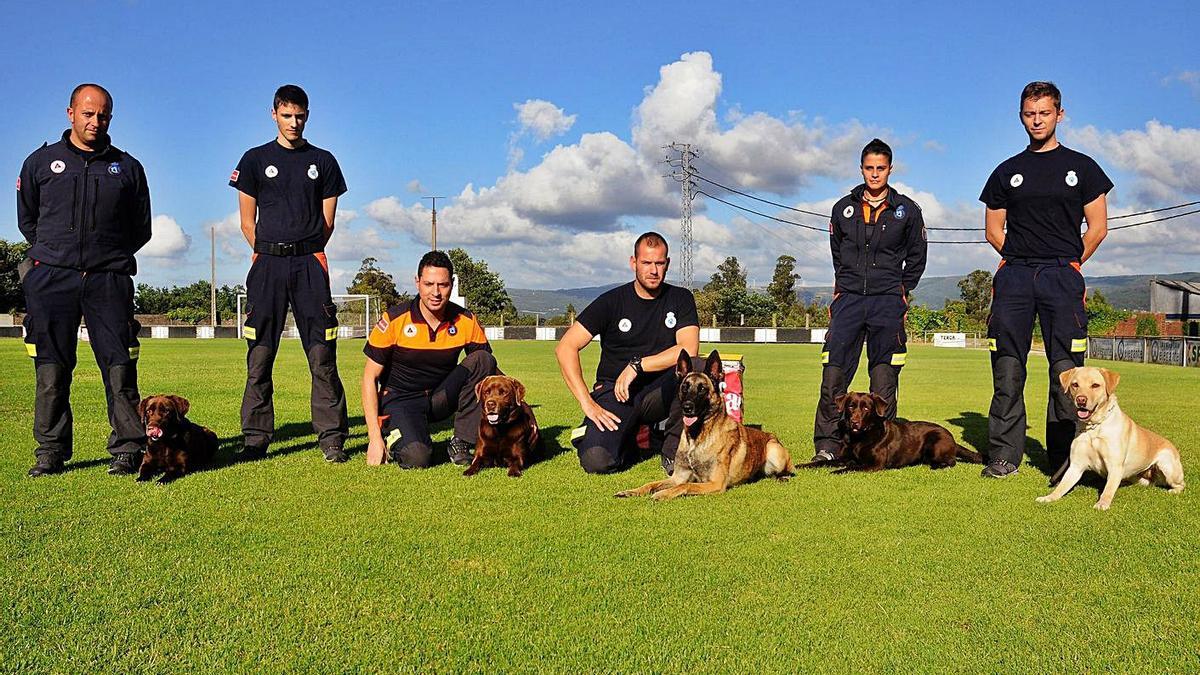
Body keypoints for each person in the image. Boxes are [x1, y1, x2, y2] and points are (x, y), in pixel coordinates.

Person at [17, 84, 152, 478]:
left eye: (104, 115)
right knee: (51, 370)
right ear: (71, 113)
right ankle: (51, 451)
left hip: (108, 280)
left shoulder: (127, 168)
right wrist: (55, 256)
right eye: (88, 113)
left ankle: (128, 448)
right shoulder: (41, 163)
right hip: (51, 278)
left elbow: (139, 228)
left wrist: (104, 257)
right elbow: (29, 221)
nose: (96, 121)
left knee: (120, 368)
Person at [979, 81, 1111, 479]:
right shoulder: (1007, 171)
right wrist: (1020, 261)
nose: (1036, 120)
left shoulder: (1083, 168)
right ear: (1021, 116)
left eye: (1044, 113)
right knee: (1007, 370)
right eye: (1029, 114)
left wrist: (1069, 264)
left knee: (1067, 373)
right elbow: (993, 230)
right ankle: (1004, 455)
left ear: (1060, 114)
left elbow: (1098, 227)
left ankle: (1065, 460)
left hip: (1061, 278)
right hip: (1015, 278)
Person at [230, 84, 350, 463]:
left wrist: (309, 251)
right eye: (286, 115)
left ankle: (331, 438)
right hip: (267, 266)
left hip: (309, 266)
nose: (293, 122)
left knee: (322, 356)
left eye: (300, 116)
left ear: (308, 115)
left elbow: (327, 222)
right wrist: (265, 252)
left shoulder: (324, 161)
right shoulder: (253, 159)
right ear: (274, 114)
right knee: (260, 355)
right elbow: (247, 221)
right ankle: (256, 437)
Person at [811, 138, 928, 463]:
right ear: (861, 169)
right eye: (869, 168)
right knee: (833, 375)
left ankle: (881, 448)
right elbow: (837, 253)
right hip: (849, 300)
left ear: (890, 169)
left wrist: (901, 289)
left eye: (880, 168)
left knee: (883, 377)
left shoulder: (907, 210)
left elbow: (918, 256)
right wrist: (845, 284)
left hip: (887, 302)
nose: (874, 174)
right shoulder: (842, 209)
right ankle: (828, 447)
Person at [555, 232, 700, 474]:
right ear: (633, 263)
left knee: (696, 366)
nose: (653, 270)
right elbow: (566, 347)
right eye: (646, 263)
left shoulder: (680, 298)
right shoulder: (611, 302)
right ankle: (635, 437)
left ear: (668, 264)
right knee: (596, 460)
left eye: (659, 263)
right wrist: (587, 403)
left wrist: (637, 365)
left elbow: (688, 350)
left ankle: (673, 451)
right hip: (617, 392)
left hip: (661, 392)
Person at [362, 251, 498, 468]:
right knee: (417, 458)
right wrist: (374, 438)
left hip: (440, 397)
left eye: (442, 285)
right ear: (417, 282)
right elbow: (369, 378)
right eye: (429, 284)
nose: (435, 292)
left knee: (483, 359)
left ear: (452, 284)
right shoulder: (395, 319)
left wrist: (522, 413)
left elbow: (489, 373)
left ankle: (462, 441)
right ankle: (394, 435)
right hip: (401, 400)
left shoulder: (466, 320)